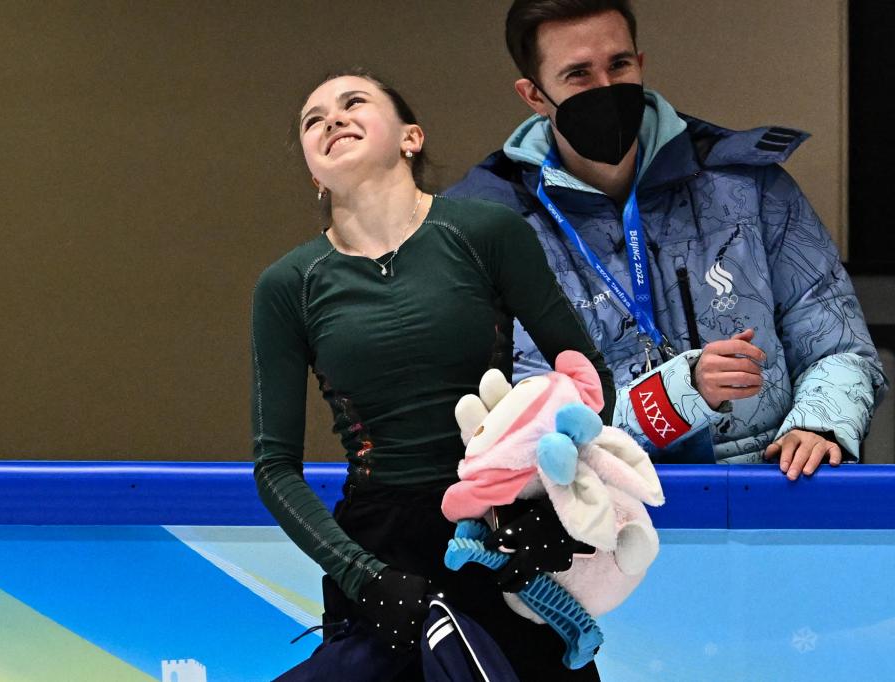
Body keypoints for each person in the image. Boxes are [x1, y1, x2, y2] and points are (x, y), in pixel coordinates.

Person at [251, 68, 614, 680]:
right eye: (314, 120)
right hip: (380, 552)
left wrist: (546, 504)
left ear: (410, 138)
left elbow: (585, 382)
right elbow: (275, 468)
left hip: (501, 530)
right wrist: (364, 578)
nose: (331, 120)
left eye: (353, 103)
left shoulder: (486, 233)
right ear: (315, 174)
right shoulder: (288, 286)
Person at [446, 0, 888, 479]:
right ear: (534, 95)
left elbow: (837, 343)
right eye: (578, 75)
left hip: (772, 482)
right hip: (602, 505)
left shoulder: (749, 185)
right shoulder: (498, 226)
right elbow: (520, 415)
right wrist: (679, 393)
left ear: (640, 63)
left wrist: (820, 427)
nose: (606, 88)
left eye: (618, 65)